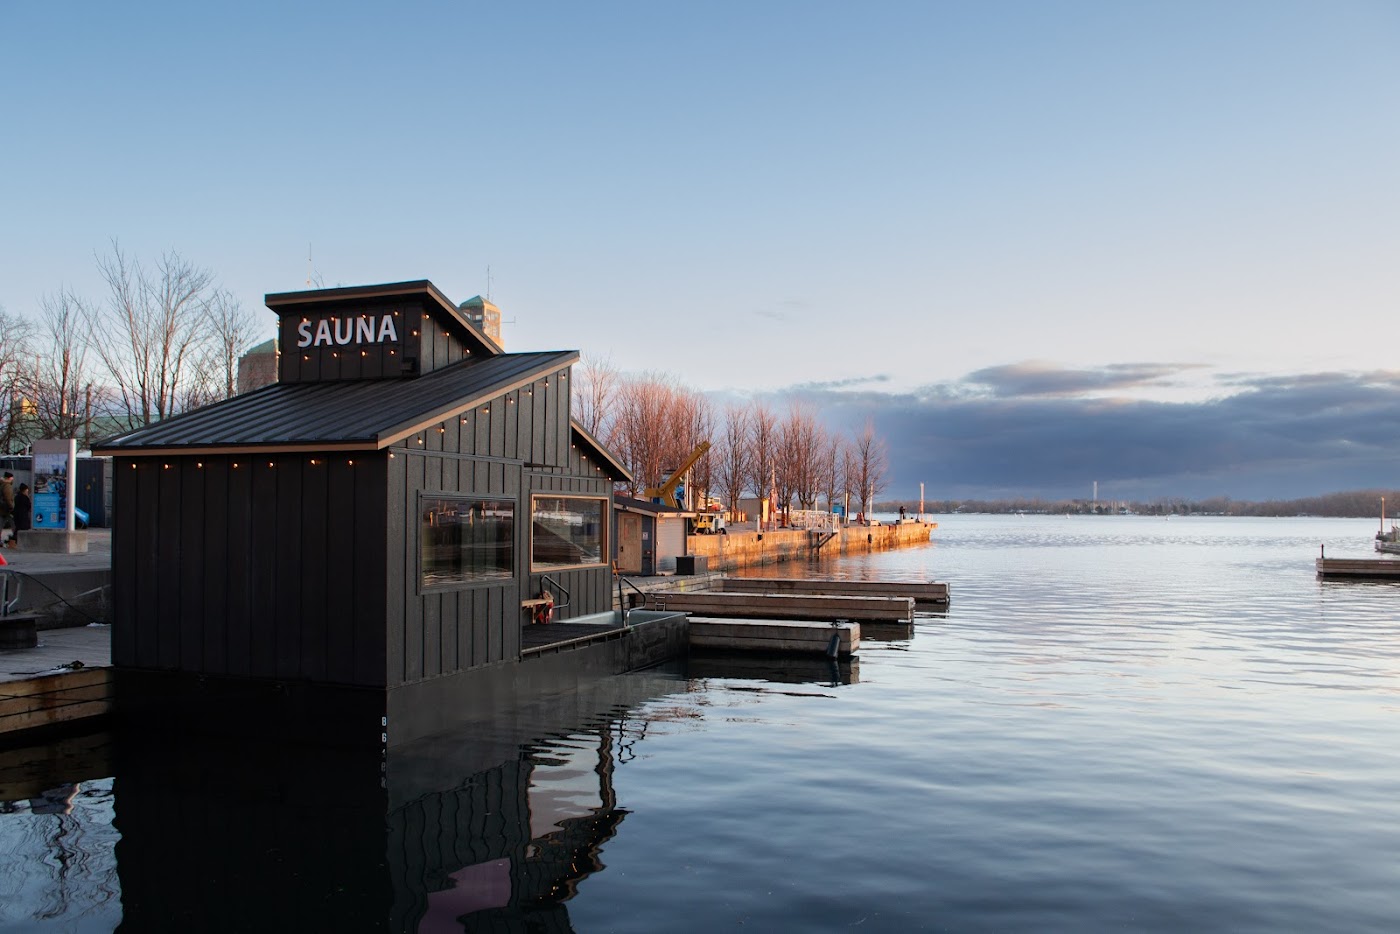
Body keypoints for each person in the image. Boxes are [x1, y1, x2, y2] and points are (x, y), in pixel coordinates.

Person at [13, 483, 31, 547]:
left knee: (18, 527)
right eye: (27, 490)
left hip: (17, 514)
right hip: (23, 515)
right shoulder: (25, 498)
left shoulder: (17, 497)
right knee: (24, 528)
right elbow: (29, 506)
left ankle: (14, 541)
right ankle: (21, 542)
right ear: (25, 490)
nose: (28, 491)